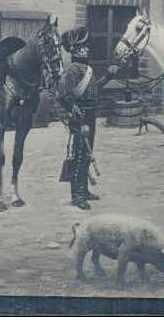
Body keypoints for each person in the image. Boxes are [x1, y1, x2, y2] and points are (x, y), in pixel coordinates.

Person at [53, 27, 117, 210]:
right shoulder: (73, 70)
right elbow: (62, 95)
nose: (86, 49)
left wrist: (109, 76)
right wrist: (72, 109)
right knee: (80, 155)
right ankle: (77, 195)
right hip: (80, 117)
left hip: (90, 115)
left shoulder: (87, 68)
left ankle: (84, 189)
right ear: (74, 50)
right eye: (82, 47)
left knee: (87, 154)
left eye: (86, 47)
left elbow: (95, 88)